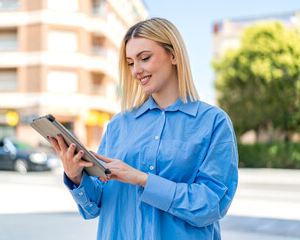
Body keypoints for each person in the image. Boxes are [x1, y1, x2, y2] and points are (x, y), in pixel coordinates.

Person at [49, 17, 238, 240]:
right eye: (130, 63)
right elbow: (95, 206)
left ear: (174, 55)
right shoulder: (119, 125)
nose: (136, 70)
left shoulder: (213, 122)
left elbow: (211, 205)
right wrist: (75, 176)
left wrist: (143, 179)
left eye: (145, 58)